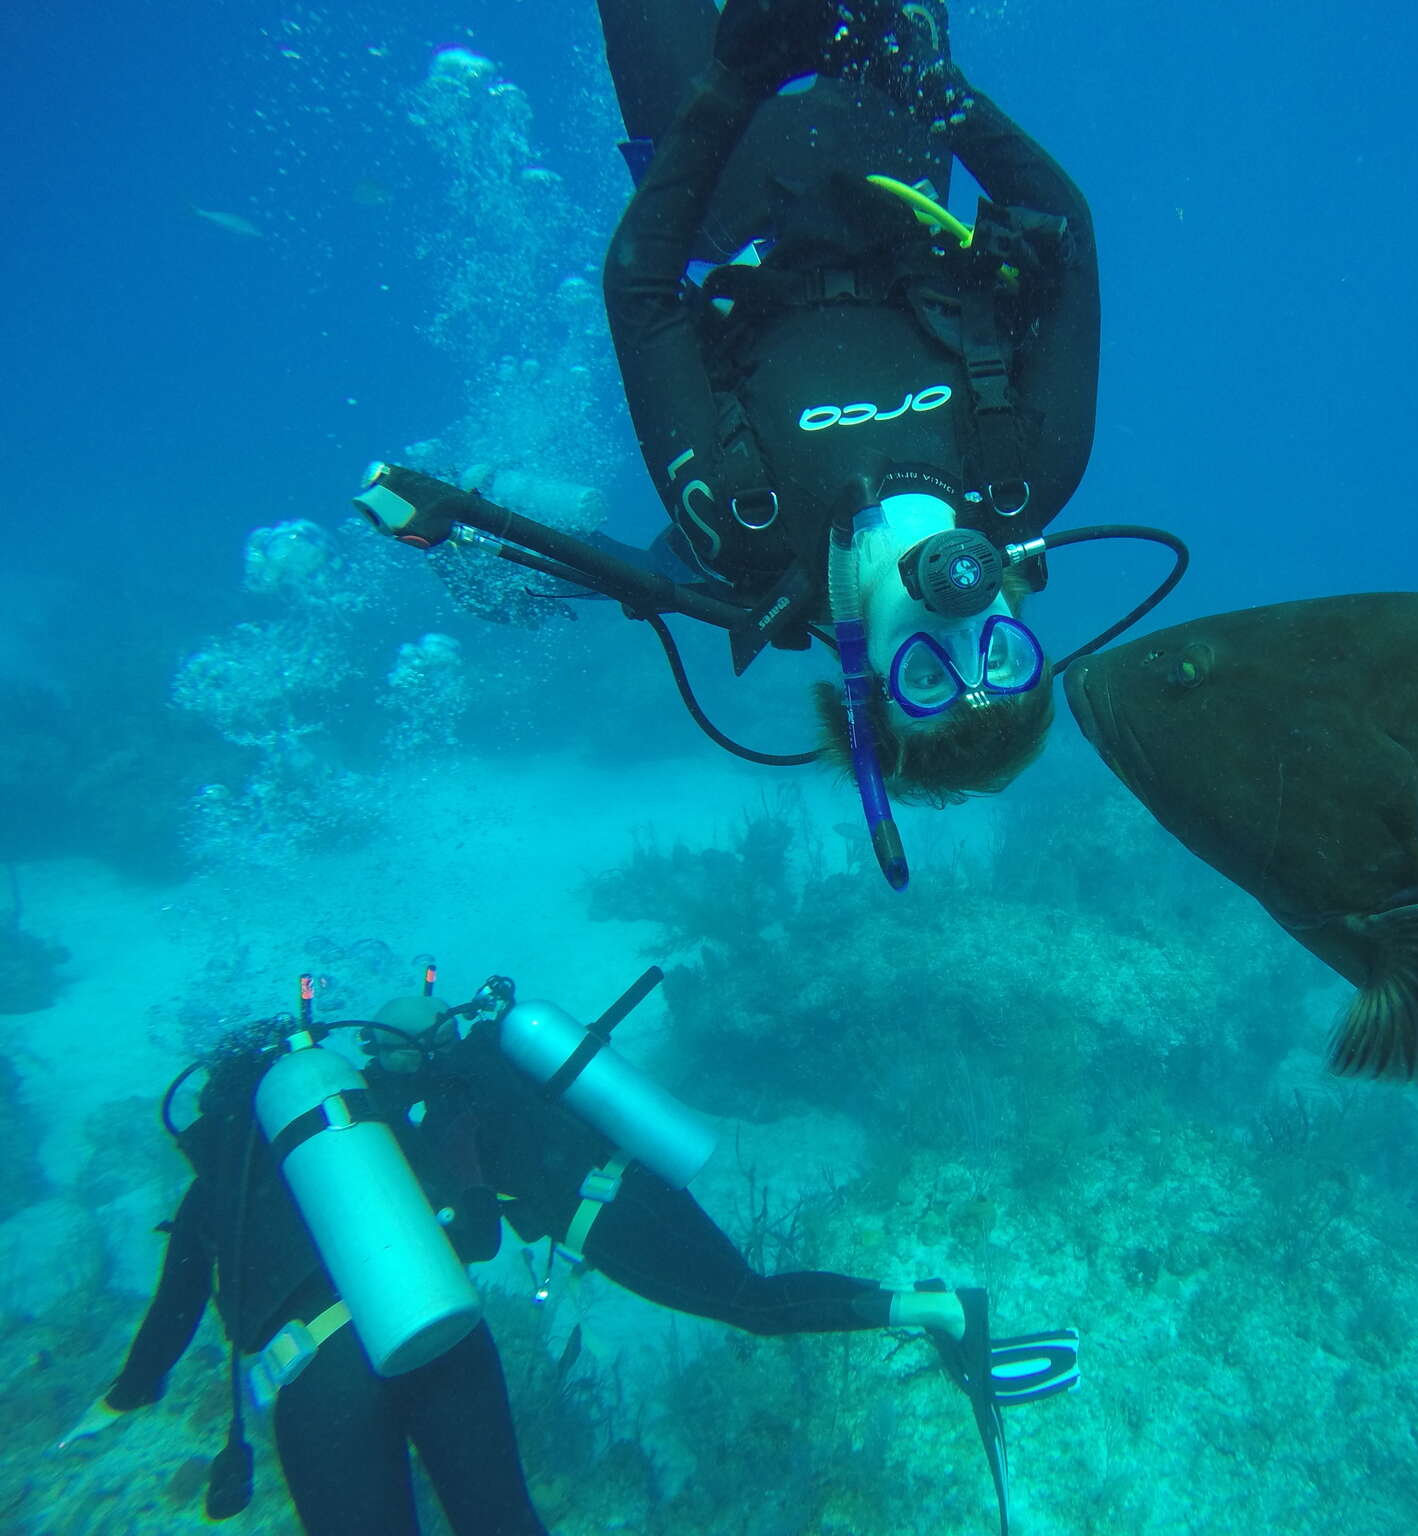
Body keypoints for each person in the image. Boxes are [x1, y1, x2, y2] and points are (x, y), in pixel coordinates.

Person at [62, 968, 1076, 1535]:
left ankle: (938, 1308)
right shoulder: (490, 1064)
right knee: (747, 1301)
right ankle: (929, 1306)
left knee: (755, 1307)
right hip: (633, 1184)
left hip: (601, 1226)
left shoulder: (416, 1115)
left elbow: (475, 1233)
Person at [600, 0, 1100, 810]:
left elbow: (641, 292)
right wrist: (928, 80)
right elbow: (1069, 236)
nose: (960, 637)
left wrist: (732, 85)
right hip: (895, 138)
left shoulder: (743, 532)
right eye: (1004, 662)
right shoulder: (1032, 473)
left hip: (719, 173)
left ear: (863, 686)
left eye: (930, 679)